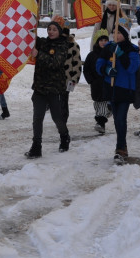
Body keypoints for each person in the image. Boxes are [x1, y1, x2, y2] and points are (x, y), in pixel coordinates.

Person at [25, 20, 72, 158]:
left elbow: (55, 63)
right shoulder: (43, 43)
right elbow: (31, 38)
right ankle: (36, 147)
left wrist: (38, 54)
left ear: (60, 31)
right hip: (40, 87)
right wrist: (30, 26)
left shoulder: (63, 45)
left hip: (55, 89)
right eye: (49, 29)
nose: (51, 31)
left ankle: (64, 136)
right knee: (37, 118)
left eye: (54, 29)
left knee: (57, 117)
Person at [97, 25, 140, 161]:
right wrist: (106, 70)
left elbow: (132, 68)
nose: (116, 35)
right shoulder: (108, 47)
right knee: (117, 120)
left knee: (121, 118)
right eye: (114, 32)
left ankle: (120, 149)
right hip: (111, 89)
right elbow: (99, 63)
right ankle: (123, 146)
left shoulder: (132, 49)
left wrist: (120, 54)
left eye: (119, 32)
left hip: (125, 89)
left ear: (125, 35)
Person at [83, 28, 112, 134]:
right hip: (95, 84)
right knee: (97, 104)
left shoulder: (111, 54)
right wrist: (91, 80)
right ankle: (101, 120)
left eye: (105, 40)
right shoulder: (92, 55)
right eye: (101, 40)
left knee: (104, 104)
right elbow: (86, 69)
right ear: (97, 42)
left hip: (107, 83)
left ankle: (101, 123)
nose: (103, 43)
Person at [60, 17, 82, 127]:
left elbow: (77, 64)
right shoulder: (55, 44)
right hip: (54, 79)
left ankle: (63, 122)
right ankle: (59, 119)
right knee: (56, 101)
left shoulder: (73, 46)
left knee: (64, 101)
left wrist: (74, 79)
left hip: (67, 78)